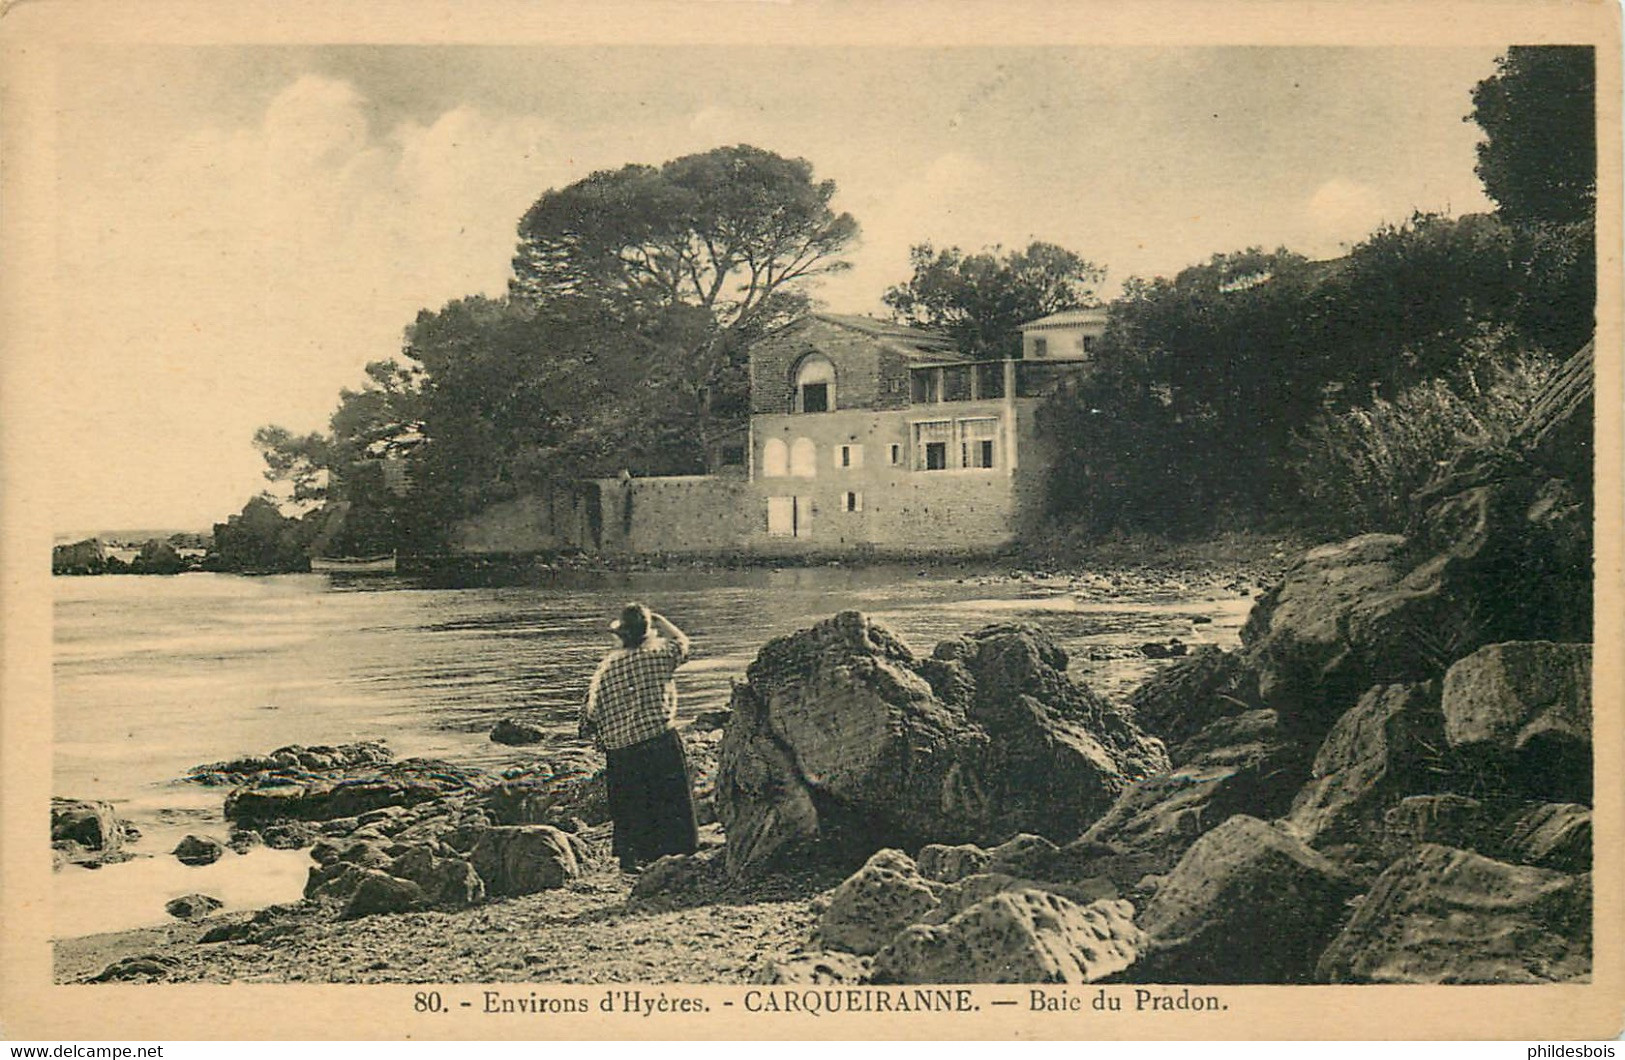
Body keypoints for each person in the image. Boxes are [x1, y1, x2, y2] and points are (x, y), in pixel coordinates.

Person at [579, 602, 699, 873]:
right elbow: (683, 644)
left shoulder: (606, 670)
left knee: (629, 804)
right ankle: (679, 850)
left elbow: (594, 711)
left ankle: (631, 858)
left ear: (621, 636)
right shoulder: (660, 655)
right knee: (671, 797)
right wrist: (661, 619)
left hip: (621, 748)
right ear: (648, 633)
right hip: (657, 738)